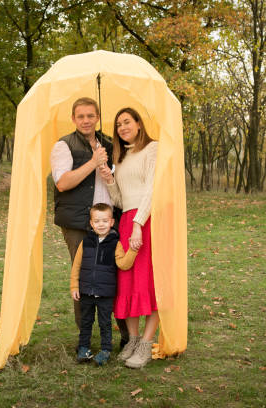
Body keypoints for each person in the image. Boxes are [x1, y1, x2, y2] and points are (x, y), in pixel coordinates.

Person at [50, 97, 129, 348]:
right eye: (81, 116)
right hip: (78, 223)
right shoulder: (64, 145)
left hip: (109, 221)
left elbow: (119, 180)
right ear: (73, 119)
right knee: (84, 277)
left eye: (90, 115)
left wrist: (109, 173)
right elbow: (62, 183)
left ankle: (126, 334)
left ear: (97, 117)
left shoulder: (109, 143)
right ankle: (85, 337)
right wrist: (93, 163)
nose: (86, 120)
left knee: (114, 275)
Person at [100, 107, 159, 369]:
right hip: (126, 222)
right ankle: (133, 340)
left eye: (127, 122)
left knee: (148, 282)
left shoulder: (152, 149)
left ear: (138, 123)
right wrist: (110, 181)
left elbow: (151, 189)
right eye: (118, 124)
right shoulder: (121, 158)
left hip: (145, 222)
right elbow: (122, 201)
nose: (122, 127)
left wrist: (138, 224)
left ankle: (146, 344)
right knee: (127, 283)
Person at [70, 203, 137, 365]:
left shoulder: (116, 243)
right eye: (97, 221)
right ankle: (84, 349)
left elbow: (123, 264)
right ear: (92, 223)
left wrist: (133, 250)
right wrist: (74, 286)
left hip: (105, 293)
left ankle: (105, 350)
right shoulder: (85, 243)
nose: (101, 224)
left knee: (105, 323)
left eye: (105, 221)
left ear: (112, 222)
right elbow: (76, 266)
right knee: (86, 322)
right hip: (86, 291)